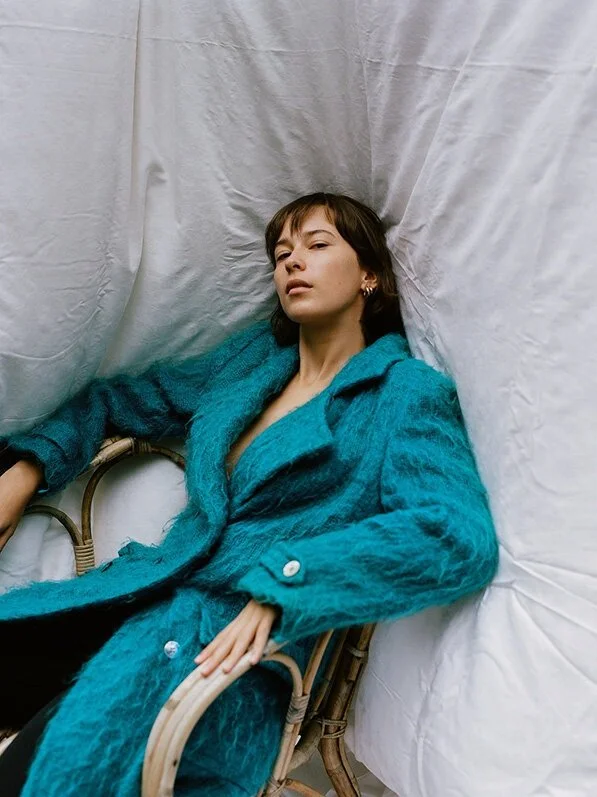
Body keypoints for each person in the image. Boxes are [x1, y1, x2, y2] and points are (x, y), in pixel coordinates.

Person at [0, 193, 499, 796]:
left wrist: (286, 585)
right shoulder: (252, 362)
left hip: (228, 657)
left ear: (369, 274)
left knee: (45, 770)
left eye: (317, 245)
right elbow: (117, 400)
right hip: (137, 597)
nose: (293, 262)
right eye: (281, 254)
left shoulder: (403, 394)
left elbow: (453, 532)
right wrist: (28, 468)